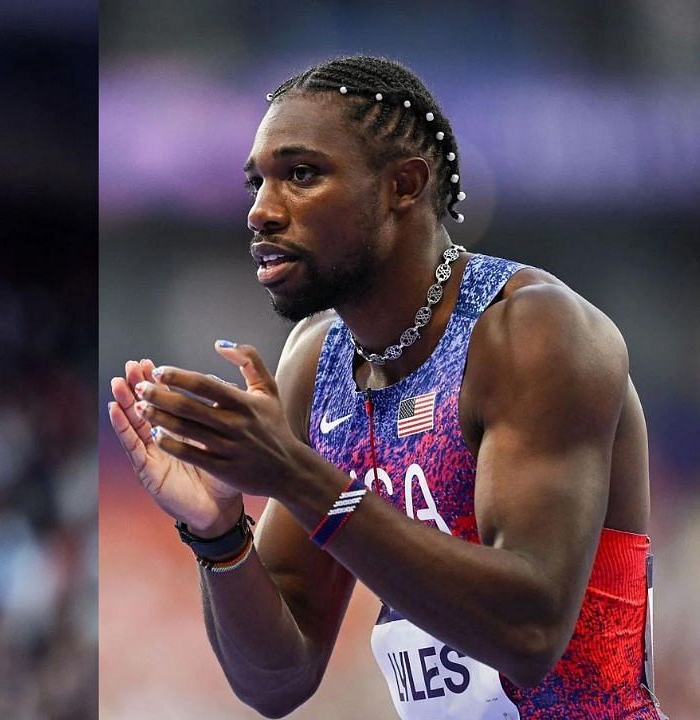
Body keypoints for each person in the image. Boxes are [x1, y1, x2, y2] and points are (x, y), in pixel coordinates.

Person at [108, 55, 664, 719]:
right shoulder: (318, 362)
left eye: (301, 175)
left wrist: (294, 473)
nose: (259, 212)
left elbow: (529, 631)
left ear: (403, 184)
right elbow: (278, 683)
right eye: (257, 182)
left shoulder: (531, 332)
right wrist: (220, 533)